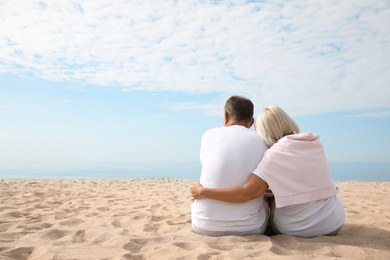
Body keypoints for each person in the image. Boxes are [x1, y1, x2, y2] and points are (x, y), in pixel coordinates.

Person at [190, 105, 345, 238]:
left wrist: (203, 192)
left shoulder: (272, 156)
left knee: (266, 198)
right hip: (334, 223)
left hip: (297, 229)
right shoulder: (314, 142)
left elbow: (246, 193)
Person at [190, 96, 269, 237]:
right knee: (266, 199)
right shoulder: (262, 140)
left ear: (225, 115)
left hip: (204, 226)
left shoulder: (209, 135)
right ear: (251, 122)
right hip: (250, 228)